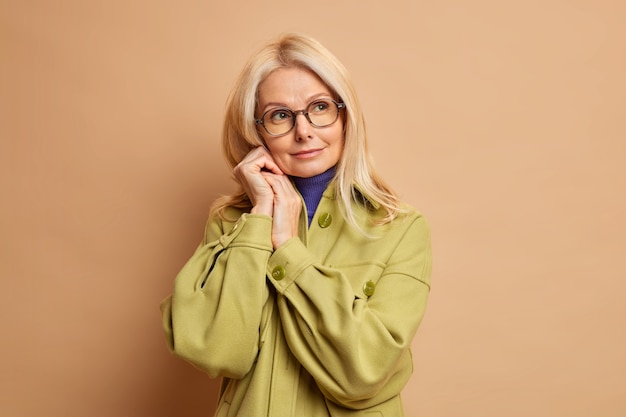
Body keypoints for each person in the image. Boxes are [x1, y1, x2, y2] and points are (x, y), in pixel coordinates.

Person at [160, 33, 432, 417]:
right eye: (280, 115)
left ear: (345, 116)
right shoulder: (231, 222)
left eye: (319, 107)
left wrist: (289, 249)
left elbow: (364, 372)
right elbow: (217, 352)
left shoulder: (401, 227)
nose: (303, 131)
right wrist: (260, 220)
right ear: (256, 130)